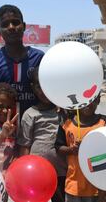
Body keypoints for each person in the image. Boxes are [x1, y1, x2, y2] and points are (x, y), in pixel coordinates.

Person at [17, 67, 66, 202]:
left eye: (48, 85)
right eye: (39, 86)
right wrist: (23, 172)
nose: (44, 90)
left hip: (62, 171)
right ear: (33, 87)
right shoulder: (30, 114)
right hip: (38, 172)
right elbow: (25, 145)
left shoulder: (64, 111)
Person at [55, 94, 106, 202]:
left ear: (98, 100)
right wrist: (71, 150)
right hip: (73, 185)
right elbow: (58, 147)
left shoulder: (104, 122)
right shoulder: (67, 123)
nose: (87, 103)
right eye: (83, 100)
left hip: (98, 187)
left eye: (91, 99)